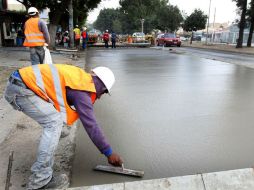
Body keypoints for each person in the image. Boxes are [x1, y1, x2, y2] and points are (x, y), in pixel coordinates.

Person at [4, 64, 123, 189]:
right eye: (104, 92)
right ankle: (40, 181)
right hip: (21, 90)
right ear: (101, 86)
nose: (100, 96)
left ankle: (52, 137)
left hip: (21, 83)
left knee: (55, 122)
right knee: (53, 123)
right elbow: (91, 125)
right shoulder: (82, 92)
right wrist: (108, 152)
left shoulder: (79, 78)